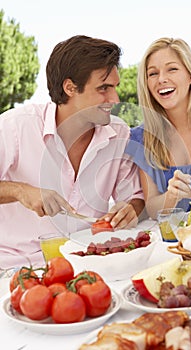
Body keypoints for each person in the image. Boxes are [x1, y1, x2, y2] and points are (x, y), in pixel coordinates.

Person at [0, 35, 145, 269]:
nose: (115, 99)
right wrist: (21, 191)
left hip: (87, 264)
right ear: (70, 88)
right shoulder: (15, 126)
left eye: (115, 87)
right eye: (104, 88)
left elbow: (134, 197)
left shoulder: (118, 133)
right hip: (13, 267)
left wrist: (130, 209)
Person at [125, 37, 191, 219]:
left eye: (172, 69)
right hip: (174, 242)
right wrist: (171, 196)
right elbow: (152, 207)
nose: (161, 79)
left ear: (190, 76)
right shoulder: (142, 138)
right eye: (152, 74)